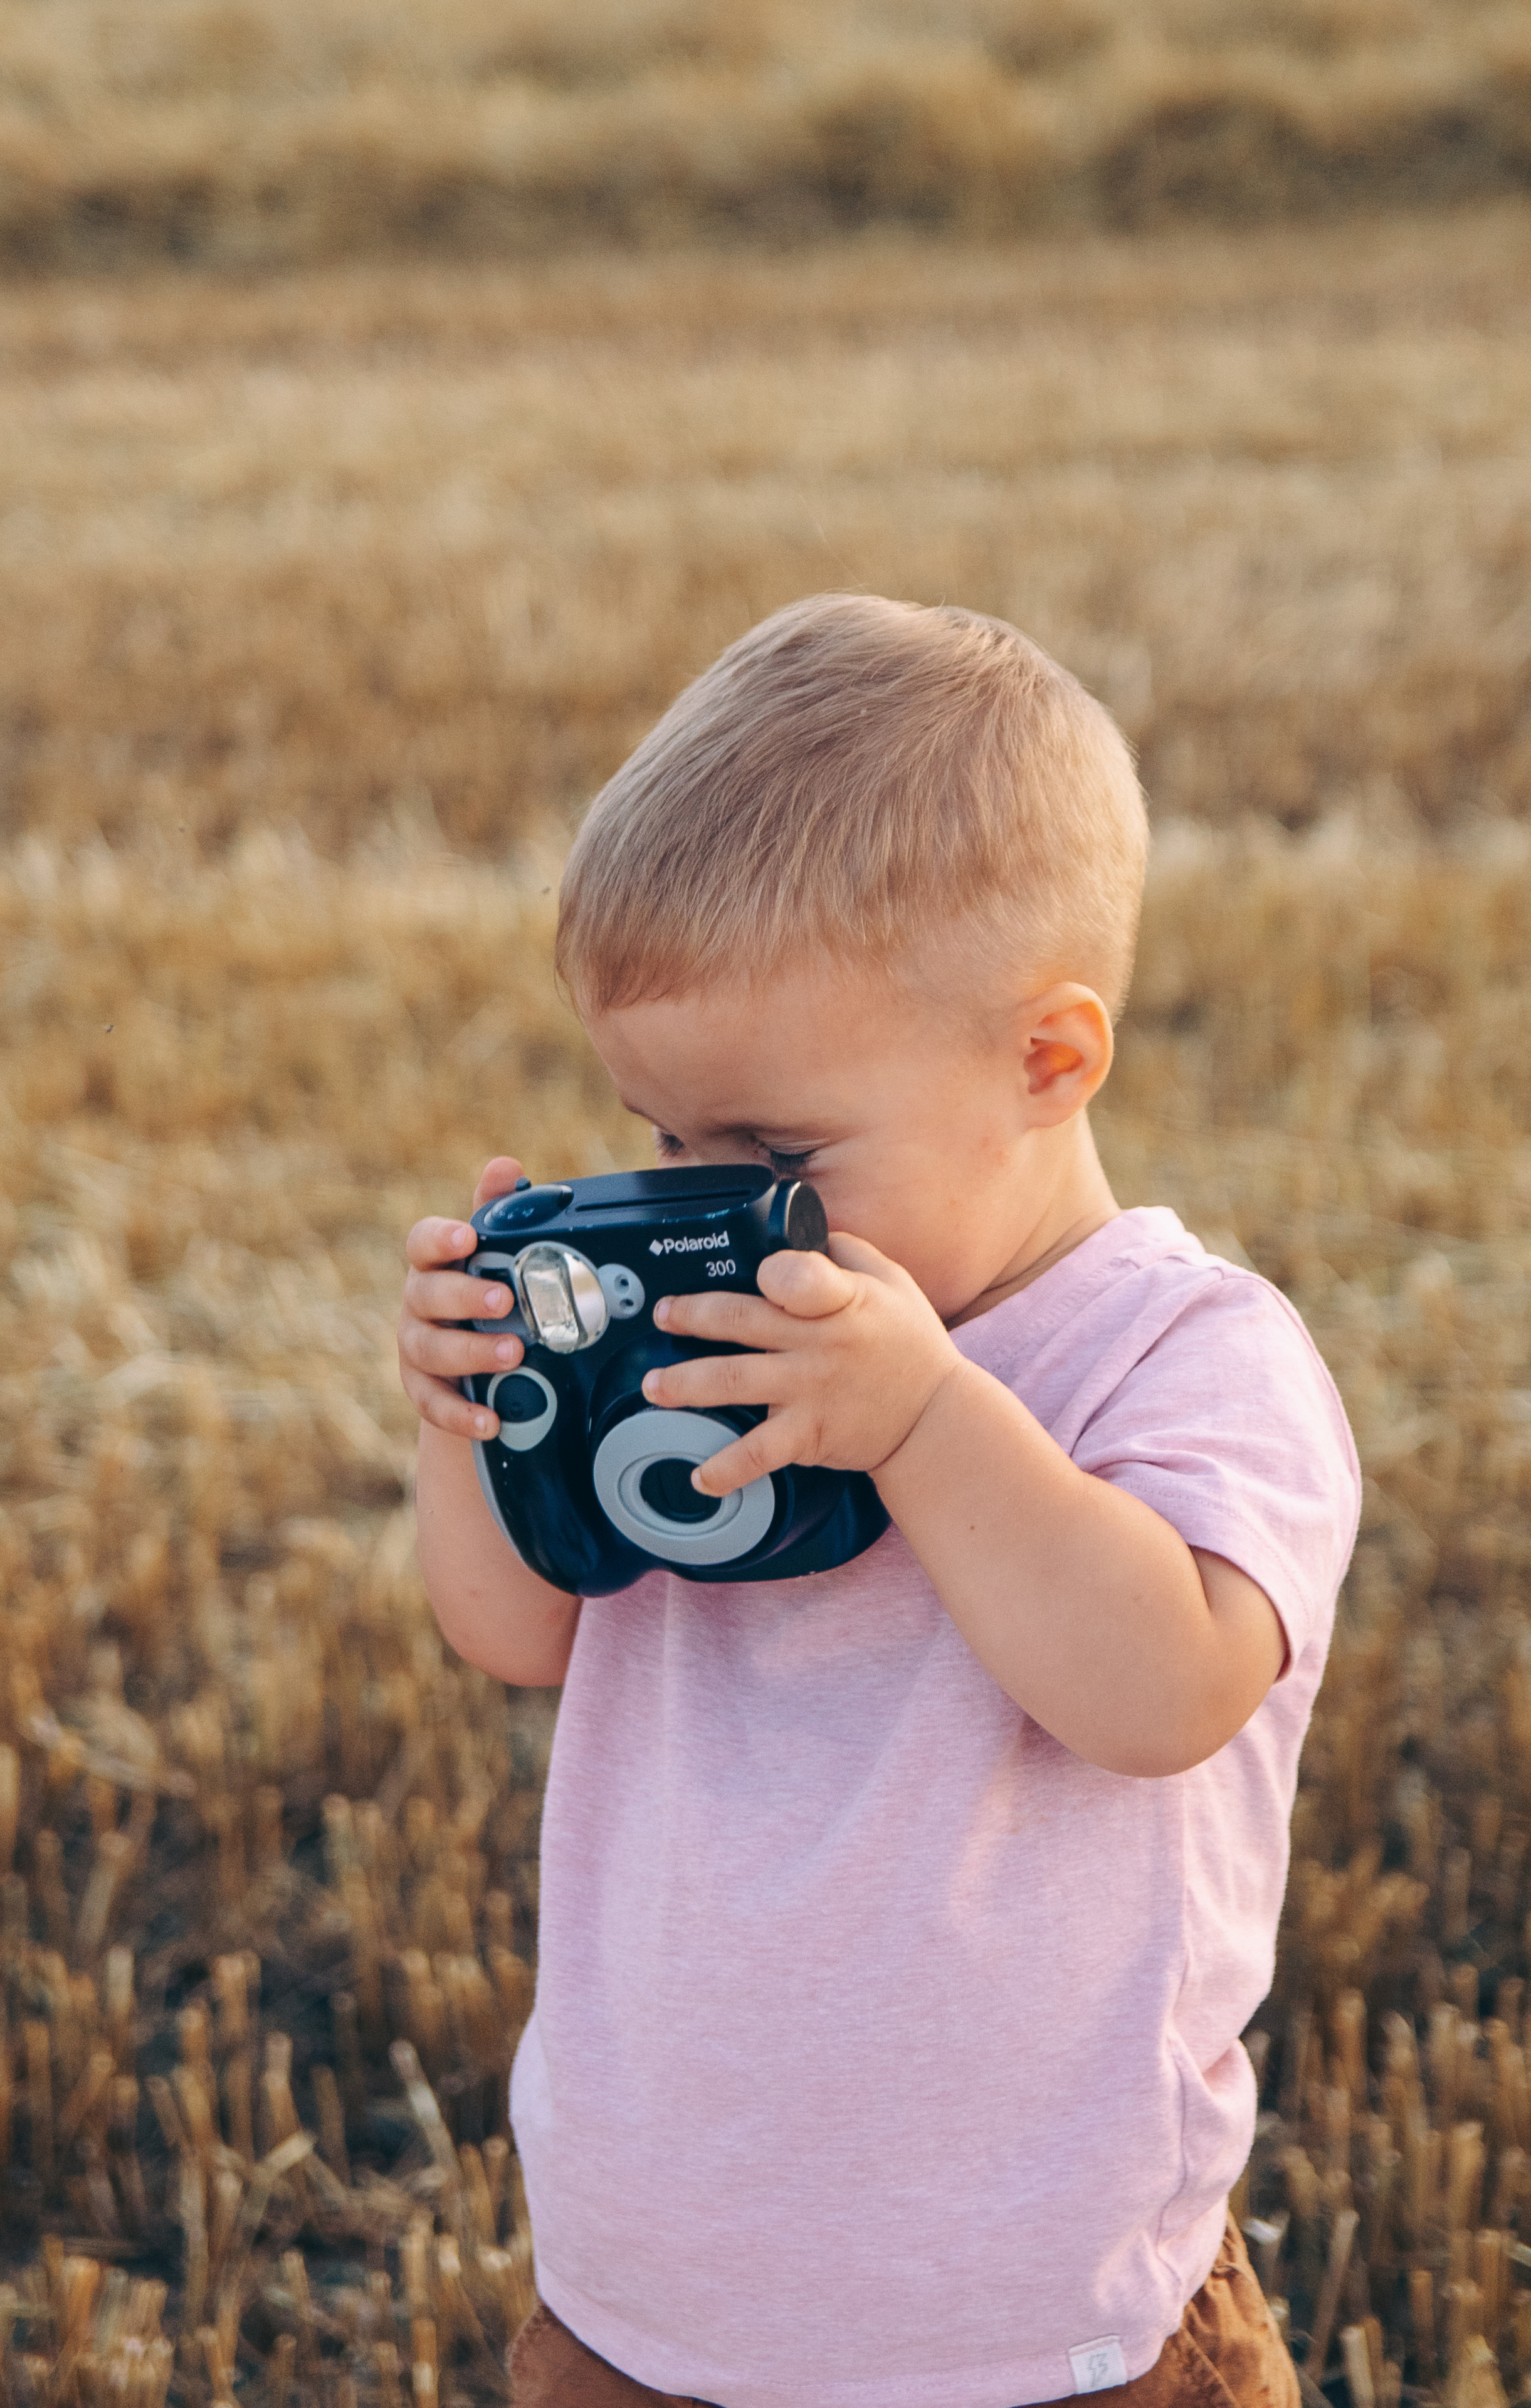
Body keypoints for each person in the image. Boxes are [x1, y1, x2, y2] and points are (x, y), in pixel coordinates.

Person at [397, 595, 1359, 2408]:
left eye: (769, 1158)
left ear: (1046, 1060)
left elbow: (1163, 1695)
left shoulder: (1186, 1358)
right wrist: (473, 1415)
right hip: (644, 2312)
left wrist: (924, 1419)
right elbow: (514, 1629)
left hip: (1039, 2331)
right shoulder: (694, 1327)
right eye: (656, 1137)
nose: (700, 1204)